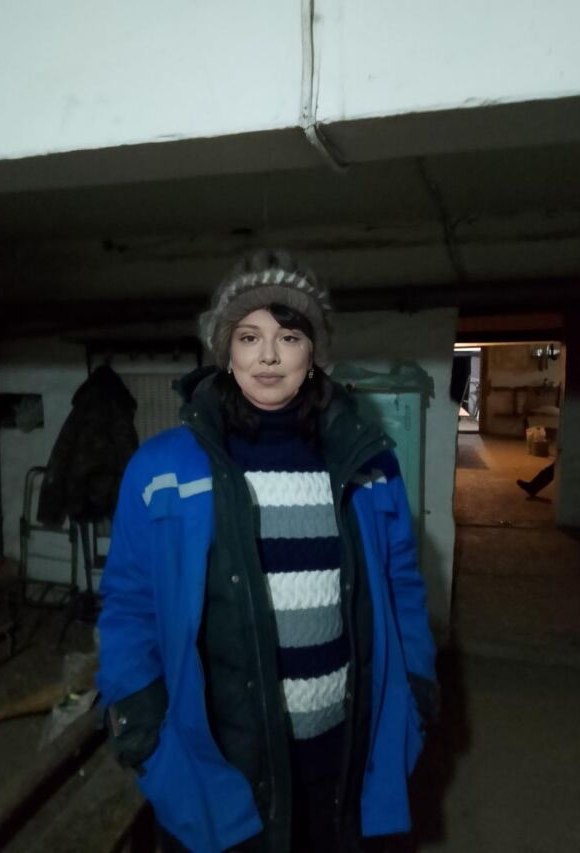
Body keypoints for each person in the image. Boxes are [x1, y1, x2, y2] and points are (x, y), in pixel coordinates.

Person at [97, 251, 438, 853]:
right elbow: (128, 605)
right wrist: (141, 726)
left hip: (341, 760)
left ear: (314, 353)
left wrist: (417, 691)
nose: (270, 356)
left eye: (290, 336)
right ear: (226, 352)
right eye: (249, 337)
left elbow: (402, 586)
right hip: (219, 768)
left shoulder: (371, 465)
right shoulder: (162, 469)